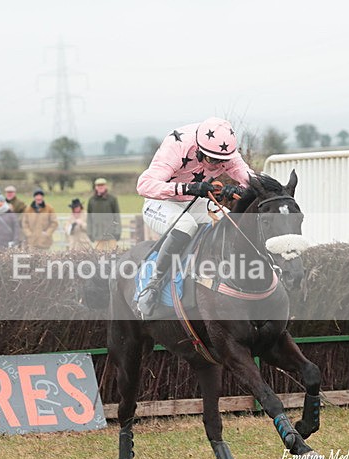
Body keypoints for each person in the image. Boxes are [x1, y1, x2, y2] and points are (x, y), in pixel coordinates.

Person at [135, 117, 257, 317]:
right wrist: (186, 187)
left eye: (222, 161)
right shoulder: (177, 145)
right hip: (159, 202)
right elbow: (144, 185)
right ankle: (153, 286)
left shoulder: (227, 152)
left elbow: (252, 181)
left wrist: (237, 189)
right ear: (199, 150)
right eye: (212, 160)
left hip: (194, 200)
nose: (217, 166)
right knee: (186, 225)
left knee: (229, 223)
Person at [87, 178, 122, 251]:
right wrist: (89, 233)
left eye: (102, 185)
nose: (100, 187)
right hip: (97, 235)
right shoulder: (92, 201)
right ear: (95, 187)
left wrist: (117, 232)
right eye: (98, 185)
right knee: (98, 256)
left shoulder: (112, 199)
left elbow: (117, 217)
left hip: (111, 234)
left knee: (113, 256)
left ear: (106, 186)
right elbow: (89, 219)